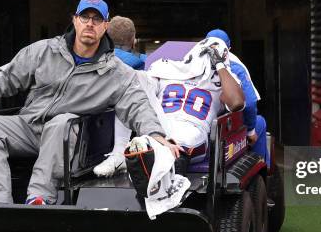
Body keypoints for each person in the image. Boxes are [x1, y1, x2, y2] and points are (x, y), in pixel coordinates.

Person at [0, 0, 179, 205]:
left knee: (61, 123)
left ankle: (40, 198)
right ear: (75, 20)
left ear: (105, 26)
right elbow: (8, 76)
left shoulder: (117, 72)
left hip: (69, 138)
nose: (90, 24)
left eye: (97, 19)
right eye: (85, 17)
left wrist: (156, 135)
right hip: (30, 126)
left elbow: (137, 105)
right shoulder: (44, 50)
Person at [96, 36, 245, 178]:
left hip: (192, 131)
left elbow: (237, 102)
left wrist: (219, 64)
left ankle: (148, 151)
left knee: (180, 142)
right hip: (160, 124)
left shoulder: (224, 83)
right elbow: (137, 86)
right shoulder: (170, 70)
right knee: (129, 89)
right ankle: (119, 154)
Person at [206, 29, 270, 166]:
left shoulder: (188, 64)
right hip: (221, 128)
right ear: (228, 49)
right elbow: (250, 102)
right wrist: (251, 131)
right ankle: (260, 168)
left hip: (196, 127)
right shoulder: (234, 66)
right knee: (259, 122)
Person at [93, 16, 147, 176]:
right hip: (137, 135)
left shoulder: (89, 62)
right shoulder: (148, 63)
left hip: (91, 142)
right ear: (134, 41)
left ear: (105, 38)